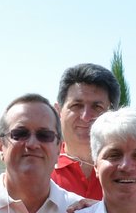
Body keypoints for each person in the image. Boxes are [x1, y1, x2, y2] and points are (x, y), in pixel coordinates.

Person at [49, 64, 119, 201]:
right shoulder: (41, 170)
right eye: (76, 106)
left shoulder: (132, 173)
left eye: (97, 107)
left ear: (113, 115)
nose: (86, 116)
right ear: (58, 111)